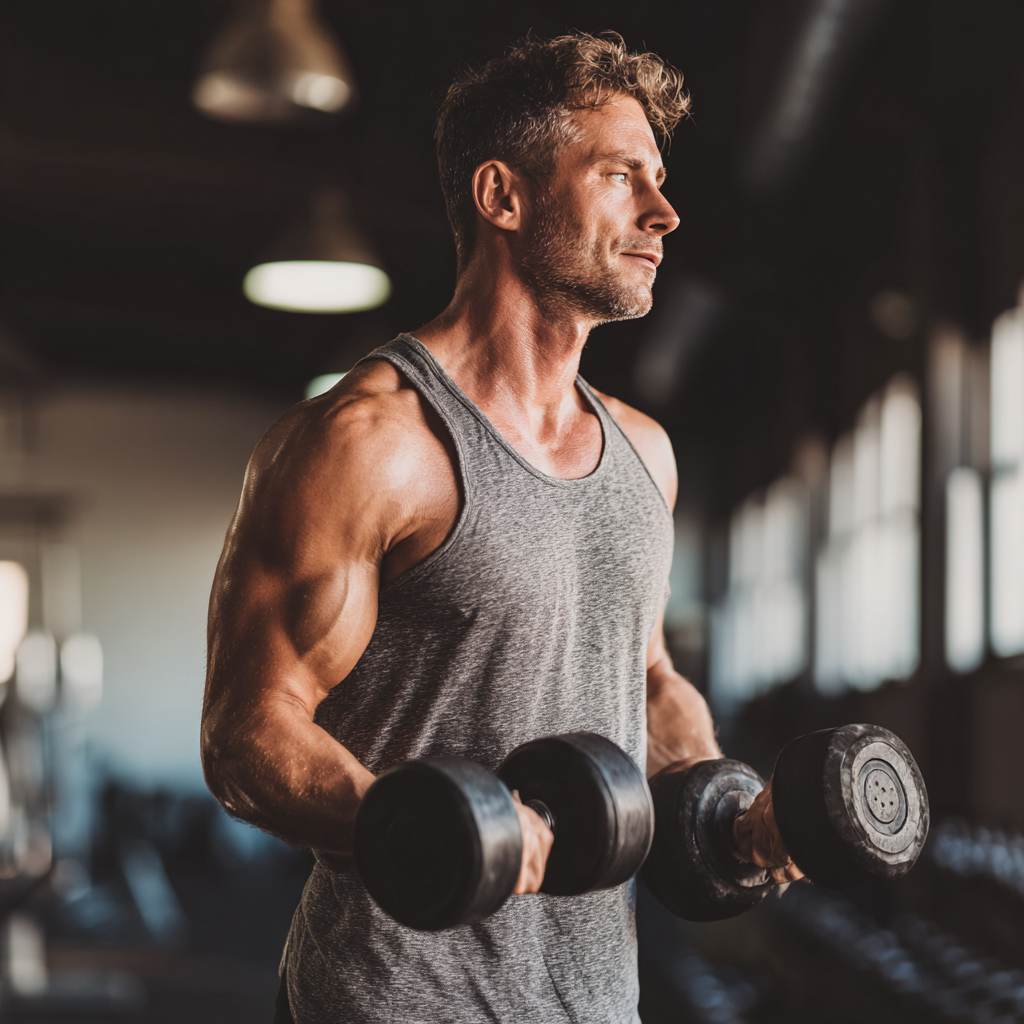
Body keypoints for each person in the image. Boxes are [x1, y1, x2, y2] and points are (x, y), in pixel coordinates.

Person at [201, 31, 801, 1024]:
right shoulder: (372, 442)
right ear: (503, 198)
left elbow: (643, 676)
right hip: (393, 998)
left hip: (594, 999)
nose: (663, 212)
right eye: (619, 176)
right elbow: (246, 732)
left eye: (658, 180)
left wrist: (722, 806)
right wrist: (432, 825)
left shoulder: (643, 454)